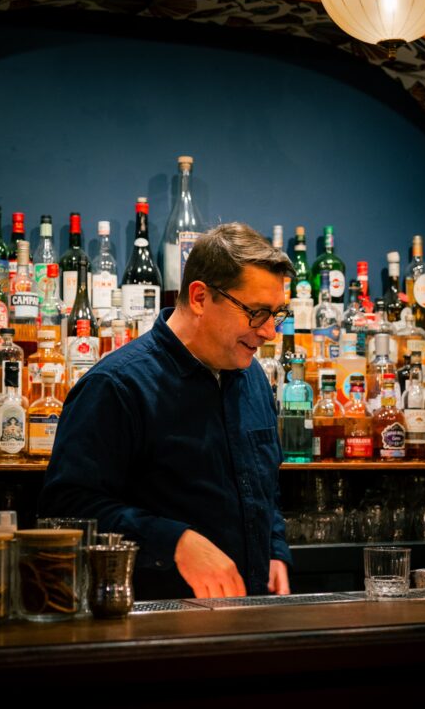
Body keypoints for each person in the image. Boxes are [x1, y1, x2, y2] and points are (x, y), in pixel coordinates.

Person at [39, 222, 294, 599]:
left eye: (278, 313)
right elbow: (65, 511)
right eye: (257, 312)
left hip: (246, 616)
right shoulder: (117, 386)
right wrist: (173, 542)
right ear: (200, 298)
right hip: (151, 626)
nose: (270, 331)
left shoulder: (253, 377)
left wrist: (274, 550)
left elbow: (263, 489)